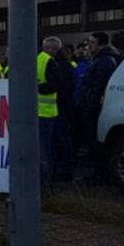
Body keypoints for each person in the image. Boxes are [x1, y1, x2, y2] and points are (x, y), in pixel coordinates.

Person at [75, 31, 119, 182]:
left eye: (92, 43)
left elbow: (98, 87)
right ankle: (98, 174)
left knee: (96, 143)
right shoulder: (99, 59)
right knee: (93, 143)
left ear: (101, 44)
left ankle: (101, 176)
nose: (89, 46)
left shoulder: (105, 61)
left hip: (95, 109)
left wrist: (88, 107)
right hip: (92, 106)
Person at [36, 38, 62, 186]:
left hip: (39, 113)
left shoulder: (39, 59)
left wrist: (37, 87)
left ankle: (42, 183)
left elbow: (55, 84)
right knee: (45, 151)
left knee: (41, 151)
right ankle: (44, 184)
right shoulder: (49, 61)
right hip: (45, 113)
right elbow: (57, 84)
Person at [51, 40, 76, 181]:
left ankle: (64, 171)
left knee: (62, 140)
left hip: (61, 108)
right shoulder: (62, 64)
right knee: (59, 140)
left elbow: (64, 88)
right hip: (59, 107)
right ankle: (61, 170)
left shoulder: (62, 66)